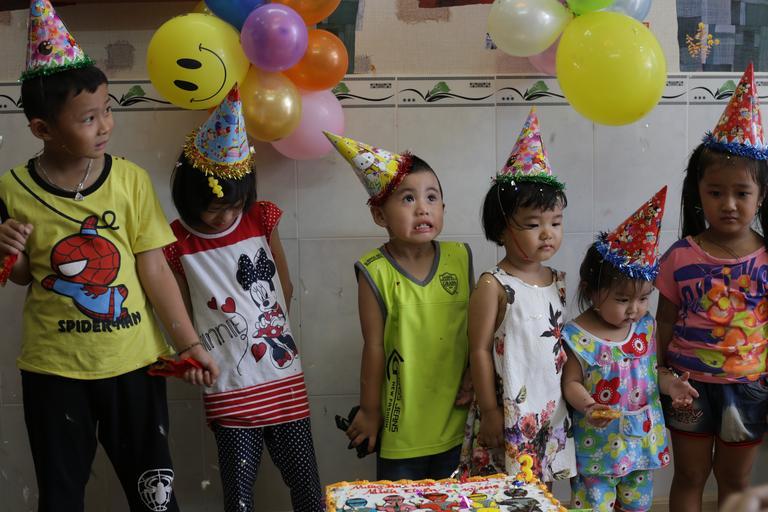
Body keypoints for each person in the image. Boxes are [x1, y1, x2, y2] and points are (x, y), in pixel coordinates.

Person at [0, 2, 218, 510]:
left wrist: (187, 343)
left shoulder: (130, 180)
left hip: (134, 365)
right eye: (88, 118)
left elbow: (154, 268)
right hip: (53, 370)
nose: (104, 125)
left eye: (107, 110)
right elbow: (24, 276)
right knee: (60, 497)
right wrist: (7, 250)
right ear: (43, 129)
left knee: (154, 495)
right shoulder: (11, 189)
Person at [162, 88, 322, 512]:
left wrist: (270, 333)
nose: (226, 217)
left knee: (307, 485)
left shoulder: (260, 218)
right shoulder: (176, 242)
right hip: (229, 385)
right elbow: (181, 310)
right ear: (190, 196)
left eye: (233, 206)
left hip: (282, 378)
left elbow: (284, 287)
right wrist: (190, 354)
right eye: (215, 209)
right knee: (238, 494)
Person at [324, 131, 473, 480]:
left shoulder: (460, 257)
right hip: (401, 427)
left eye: (432, 197)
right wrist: (370, 410)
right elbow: (374, 347)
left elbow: (477, 331)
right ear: (380, 215)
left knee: (458, 501)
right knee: (399, 501)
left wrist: (474, 376)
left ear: (443, 209)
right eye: (408, 198)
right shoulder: (374, 271)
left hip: (458, 420)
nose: (423, 208)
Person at [655, 62, 768, 511]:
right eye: (716, 192)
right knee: (690, 476)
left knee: (735, 481)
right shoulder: (680, 256)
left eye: (742, 192)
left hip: (750, 386)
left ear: (761, 196)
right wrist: (660, 372)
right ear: (698, 193)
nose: (729, 204)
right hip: (689, 386)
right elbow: (665, 320)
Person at [561, 187, 699, 512]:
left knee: (638, 506)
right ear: (591, 292)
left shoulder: (645, 327)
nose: (634, 308)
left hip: (640, 444)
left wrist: (673, 385)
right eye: (622, 299)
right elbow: (570, 382)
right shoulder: (577, 336)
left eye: (643, 298)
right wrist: (589, 405)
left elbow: (652, 373)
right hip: (597, 450)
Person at [459, 107, 576, 483]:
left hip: (550, 411)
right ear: (502, 228)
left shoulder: (557, 281)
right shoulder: (493, 285)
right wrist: (491, 412)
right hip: (509, 413)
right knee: (504, 494)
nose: (548, 233)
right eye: (533, 224)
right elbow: (478, 350)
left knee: (543, 493)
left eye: (555, 222)